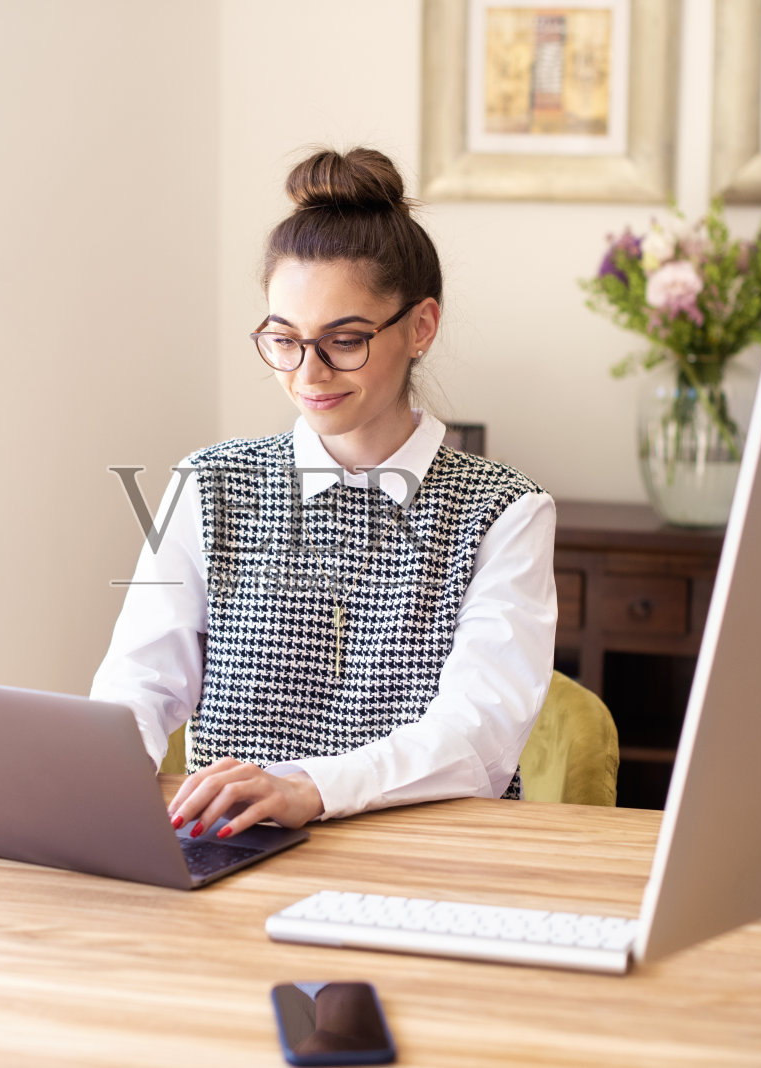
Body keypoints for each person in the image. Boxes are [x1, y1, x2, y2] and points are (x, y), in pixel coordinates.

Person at [91, 146, 556, 842]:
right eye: (284, 339)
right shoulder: (209, 484)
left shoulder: (505, 512)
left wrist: (309, 788)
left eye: (345, 339)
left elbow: (477, 743)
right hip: (230, 849)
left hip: (429, 862)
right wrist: (92, 785)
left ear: (421, 327)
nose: (309, 372)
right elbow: (138, 686)